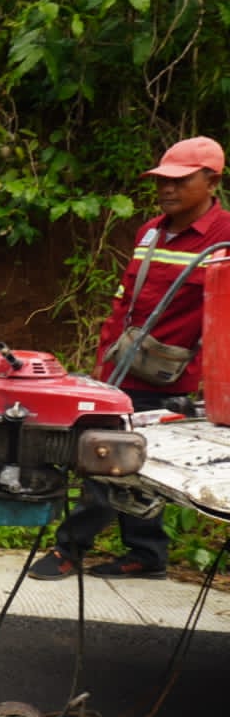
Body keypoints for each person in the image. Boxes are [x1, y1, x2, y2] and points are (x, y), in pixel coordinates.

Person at [29, 136, 230, 581]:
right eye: (162, 180)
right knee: (130, 461)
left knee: (112, 461)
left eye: (179, 181)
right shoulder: (151, 232)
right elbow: (126, 303)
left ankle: (70, 549)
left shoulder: (224, 239)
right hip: (123, 369)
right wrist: (104, 367)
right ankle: (147, 554)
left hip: (172, 377)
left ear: (211, 180)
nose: (167, 189)